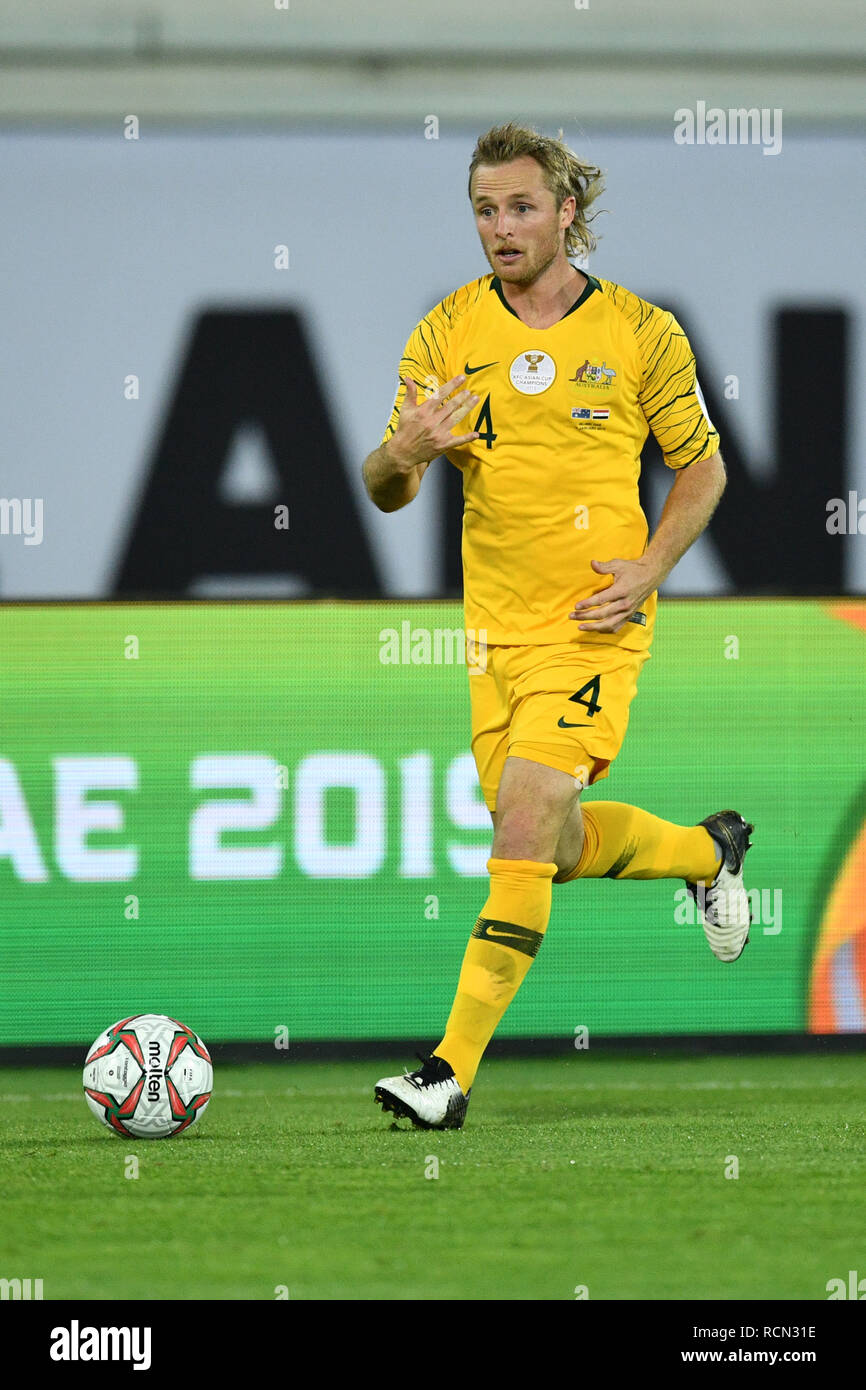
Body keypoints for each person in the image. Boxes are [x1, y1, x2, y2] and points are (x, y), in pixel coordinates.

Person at [362, 122, 753, 1131]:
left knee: (525, 818)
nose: (500, 227)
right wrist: (401, 451)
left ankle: (444, 1072)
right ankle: (708, 855)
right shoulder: (446, 333)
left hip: (593, 620)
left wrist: (650, 568)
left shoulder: (639, 331)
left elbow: (701, 466)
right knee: (549, 839)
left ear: (566, 210)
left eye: (521, 207)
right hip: (492, 637)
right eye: (484, 210)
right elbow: (384, 489)